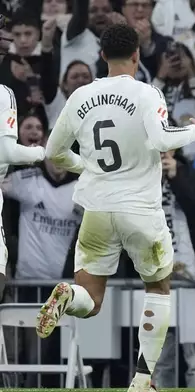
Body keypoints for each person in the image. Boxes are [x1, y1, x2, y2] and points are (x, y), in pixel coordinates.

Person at [35, 23, 195, 392]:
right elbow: (160, 138)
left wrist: (87, 165)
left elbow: (53, 153)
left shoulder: (79, 96)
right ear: (137, 54)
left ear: (101, 55)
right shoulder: (145, 93)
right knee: (158, 289)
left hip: (97, 209)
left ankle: (68, 296)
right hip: (140, 208)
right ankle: (141, 379)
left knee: (91, 299)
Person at [0, 14, 47, 301]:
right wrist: (48, 152)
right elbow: (7, 152)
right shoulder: (4, 94)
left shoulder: (5, 93)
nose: (8, 39)